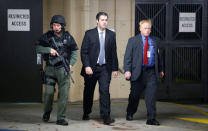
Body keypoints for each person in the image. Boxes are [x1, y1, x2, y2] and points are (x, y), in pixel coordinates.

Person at [36, 15, 78, 126]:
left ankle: (61, 118)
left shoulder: (68, 38)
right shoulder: (47, 36)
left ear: (62, 26)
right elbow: (38, 48)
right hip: (50, 68)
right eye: (54, 25)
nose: (56, 27)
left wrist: (71, 64)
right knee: (49, 93)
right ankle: (47, 111)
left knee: (63, 95)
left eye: (58, 25)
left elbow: (74, 52)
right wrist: (49, 49)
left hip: (63, 70)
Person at [80, 12, 118, 125]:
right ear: (97, 21)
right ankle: (86, 112)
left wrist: (115, 68)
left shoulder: (111, 35)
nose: (104, 22)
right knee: (89, 91)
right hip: (91, 68)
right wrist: (86, 66)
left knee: (105, 91)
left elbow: (113, 53)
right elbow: (84, 52)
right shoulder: (89, 34)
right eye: (102, 20)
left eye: (106, 20)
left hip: (105, 69)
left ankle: (106, 116)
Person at [124, 19, 164, 126]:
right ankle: (130, 112)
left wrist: (160, 70)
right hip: (138, 72)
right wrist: (127, 70)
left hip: (151, 72)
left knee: (151, 96)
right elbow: (127, 57)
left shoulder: (156, 41)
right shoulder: (133, 40)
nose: (147, 30)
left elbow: (159, 57)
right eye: (145, 28)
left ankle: (151, 118)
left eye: (149, 28)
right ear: (140, 28)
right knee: (134, 95)